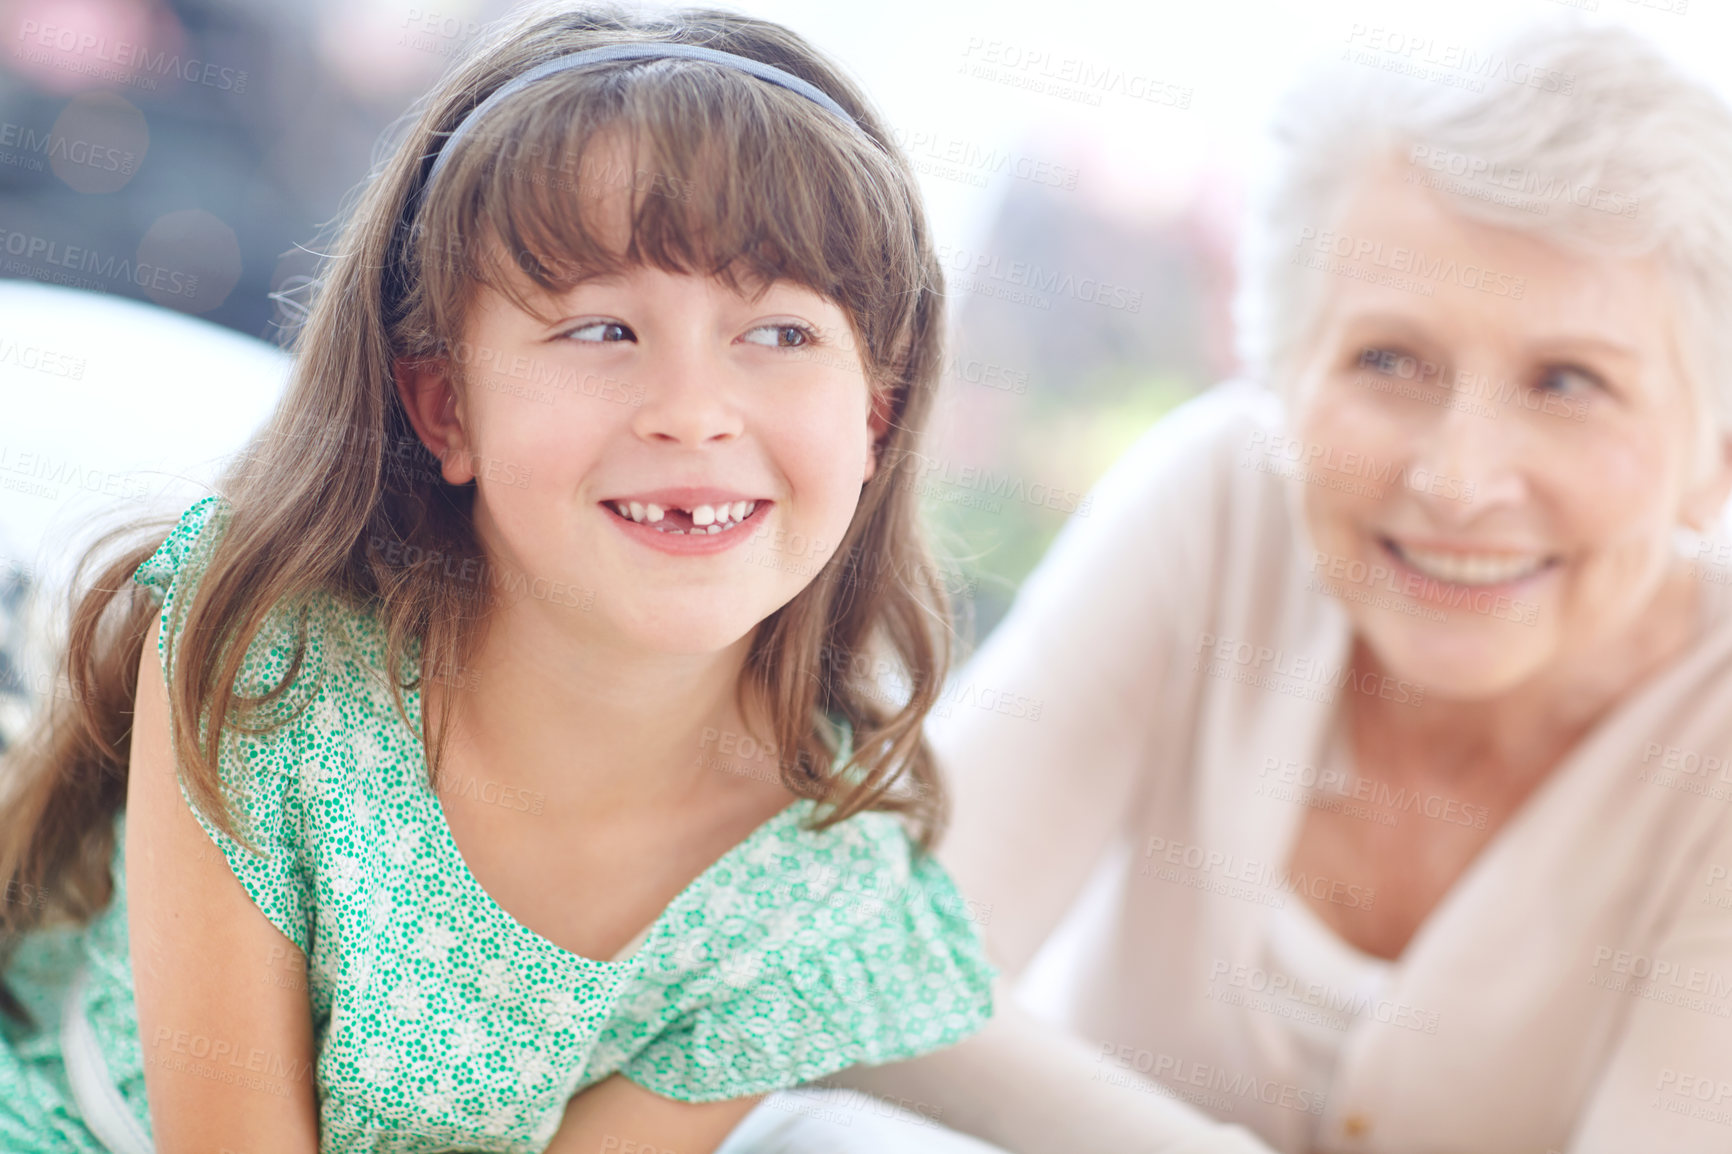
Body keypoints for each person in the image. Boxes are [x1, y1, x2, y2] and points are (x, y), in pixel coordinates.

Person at [0, 5, 1005, 1150]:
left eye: (778, 334)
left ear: (874, 417)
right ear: (446, 407)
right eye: (598, 330)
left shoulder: (821, 895)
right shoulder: (268, 657)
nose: (691, 410)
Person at [846, 19, 1732, 1154]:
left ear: (1715, 458)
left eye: (1568, 380)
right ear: (1284, 372)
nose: (1456, 480)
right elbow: (879, 964)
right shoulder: (1218, 500)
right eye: (1389, 359)